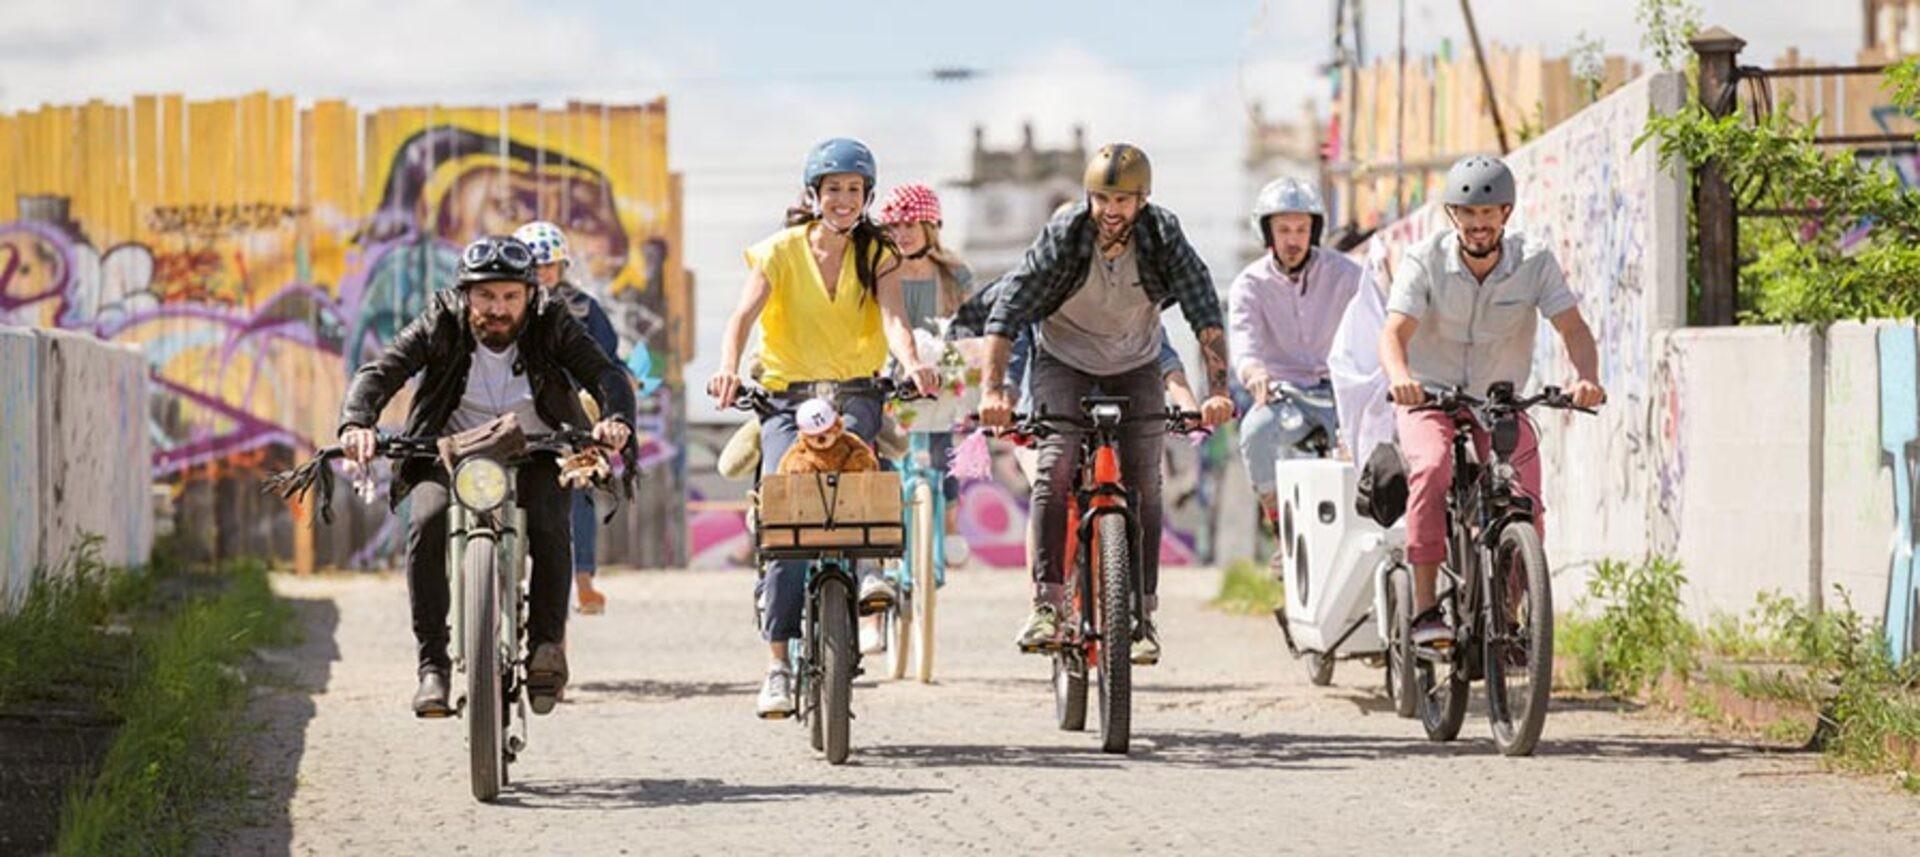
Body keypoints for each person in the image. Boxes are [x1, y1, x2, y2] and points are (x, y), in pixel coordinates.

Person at [954, 142, 1236, 666]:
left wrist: (1217, 390)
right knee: (1056, 464)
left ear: (1143, 200)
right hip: (1065, 361)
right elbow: (1009, 312)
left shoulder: (1161, 234)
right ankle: (1047, 603)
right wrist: (994, 392)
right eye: (1102, 198)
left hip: (1137, 363)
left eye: (1124, 200)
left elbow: (1201, 305)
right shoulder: (1065, 235)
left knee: (1145, 481)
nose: (1111, 210)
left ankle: (1142, 615)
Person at [337, 235, 635, 717]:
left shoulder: (552, 321)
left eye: (510, 297)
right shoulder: (441, 319)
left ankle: (545, 648)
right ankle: (433, 666)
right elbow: (382, 369)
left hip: (537, 448)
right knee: (427, 522)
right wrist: (356, 421)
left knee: (550, 522)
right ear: (464, 294)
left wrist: (615, 418)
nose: (498, 309)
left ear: (530, 295)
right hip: (449, 449)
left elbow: (607, 374)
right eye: (485, 296)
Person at [705, 138, 938, 718]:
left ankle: (869, 573)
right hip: (786, 400)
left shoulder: (876, 252)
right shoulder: (778, 252)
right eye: (832, 188)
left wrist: (911, 365)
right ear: (813, 194)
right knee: (788, 514)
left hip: (855, 390)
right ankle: (777, 666)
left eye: (854, 189)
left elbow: (893, 317)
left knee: (863, 475)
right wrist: (728, 369)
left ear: (867, 197)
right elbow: (741, 319)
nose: (843, 199)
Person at [1378, 154, 1606, 646]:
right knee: (1433, 468)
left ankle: (1511, 613)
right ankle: (1424, 611)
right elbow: (1394, 333)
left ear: (1506, 213)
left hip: (1497, 401)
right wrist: (1400, 376)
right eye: (1468, 214)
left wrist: (1586, 378)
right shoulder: (1424, 260)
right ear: (1451, 216)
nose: (1478, 224)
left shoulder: (1534, 261)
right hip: (1429, 395)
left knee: (1525, 498)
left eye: (1488, 213)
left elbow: (1574, 328)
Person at [1228, 177, 1365, 568]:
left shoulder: (1347, 274)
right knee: (1255, 432)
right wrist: (1254, 373)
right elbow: (1244, 342)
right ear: (1267, 232)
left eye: (1302, 230)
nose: (1293, 239)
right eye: (1284, 230)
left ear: (1314, 231)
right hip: (1283, 394)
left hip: (1341, 392)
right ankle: (1279, 525)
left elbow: (1373, 326)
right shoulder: (1248, 285)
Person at [515, 219, 625, 615]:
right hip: (515, 413)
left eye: (549, 265)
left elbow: (607, 361)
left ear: (561, 267)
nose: (543, 273)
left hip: (571, 415)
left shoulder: (582, 308)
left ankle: (583, 580)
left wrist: (612, 398)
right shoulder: (508, 308)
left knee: (578, 492)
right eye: (535, 265)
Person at [874, 182, 976, 566]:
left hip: (940, 367)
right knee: (884, 450)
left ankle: (950, 523)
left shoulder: (953, 274)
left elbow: (972, 323)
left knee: (941, 448)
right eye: (894, 228)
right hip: (890, 370)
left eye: (910, 226)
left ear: (929, 227)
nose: (901, 235)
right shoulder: (881, 272)